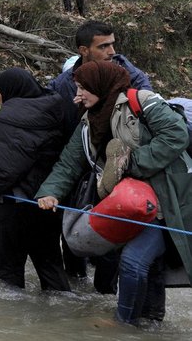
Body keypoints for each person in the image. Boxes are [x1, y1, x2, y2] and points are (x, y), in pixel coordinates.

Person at [36, 61, 192, 326]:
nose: (78, 94)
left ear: (101, 85)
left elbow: (176, 136)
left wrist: (129, 163)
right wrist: (50, 192)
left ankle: (123, 324)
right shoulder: (87, 122)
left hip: (168, 201)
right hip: (128, 201)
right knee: (149, 264)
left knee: (133, 261)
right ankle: (150, 322)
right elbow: (69, 163)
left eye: (83, 88)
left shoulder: (141, 101)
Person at [0, 69, 70, 291]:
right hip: (47, 198)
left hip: (16, 202)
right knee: (49, 262)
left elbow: (10, 165)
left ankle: (11, 319)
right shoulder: (54, 104)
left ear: (10, 91)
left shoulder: (11, 114)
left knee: (5, 266)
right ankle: (61, 313)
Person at [49, 20, 152, 137]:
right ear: (84, 50)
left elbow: (149, 119)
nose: (112, 52)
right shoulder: (62, 85)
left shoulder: (133, 77)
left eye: (112, 44)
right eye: (103, 46)